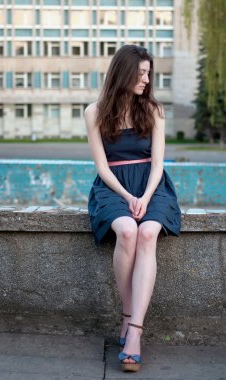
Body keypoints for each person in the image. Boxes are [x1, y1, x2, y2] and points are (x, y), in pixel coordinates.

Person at [84, 44, 181, 373]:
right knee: (127, 231)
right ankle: (128, 316)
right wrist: (127, 195)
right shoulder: (94, 112)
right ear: (123, 73)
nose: (146, 78)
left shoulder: (153, 109)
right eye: (140, 73)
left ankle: (134, 332)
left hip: (152, 186)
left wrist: (145, 194)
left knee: (148, 231)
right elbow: (102, 166)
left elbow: (158, 162)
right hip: (113, 187)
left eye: (148, 73)